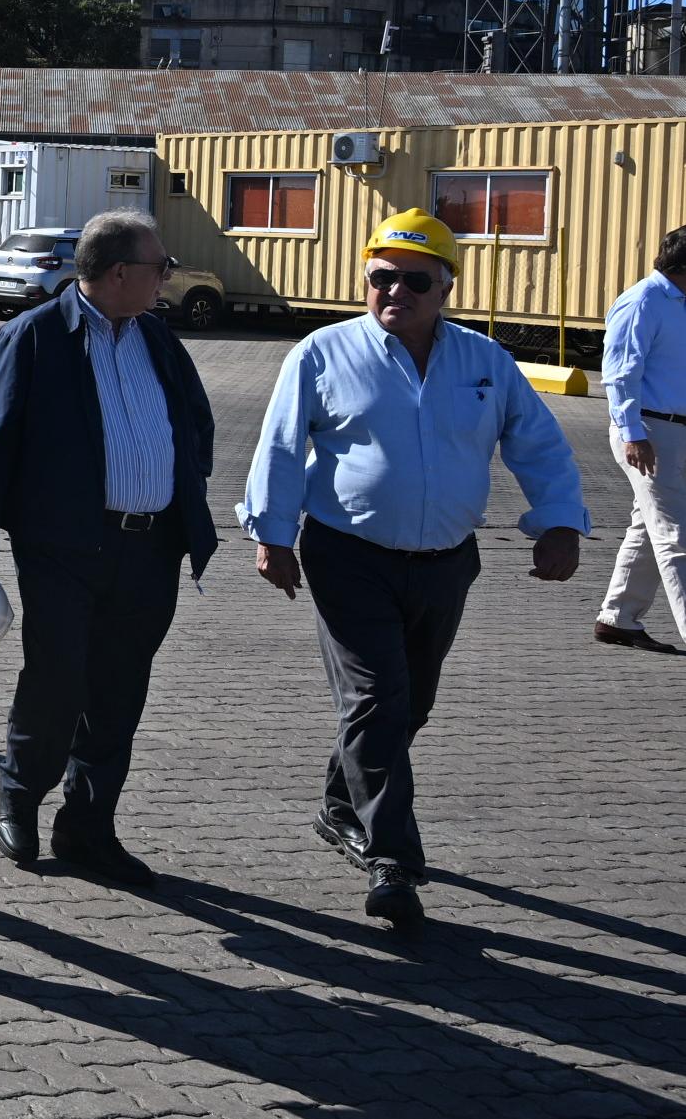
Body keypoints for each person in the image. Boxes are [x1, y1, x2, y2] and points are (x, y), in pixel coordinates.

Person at [237, 209, 586, 928]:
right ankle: (391, 857)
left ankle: (340, 804)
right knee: (377, 699)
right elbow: (276, 446)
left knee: (408, 703)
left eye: (413, 279)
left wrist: (558, 520)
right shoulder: (321, 351)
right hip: (347, 556)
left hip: (445, 563)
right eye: (380, 277)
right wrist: (271, 535)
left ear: (445, 286)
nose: (394, 290)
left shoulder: (484, 362)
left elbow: (538, 443)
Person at [0, 209, 215, 889]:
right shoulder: (35, 337)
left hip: (150, 547)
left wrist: (178, 478)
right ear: (120, 271)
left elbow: (194, 421)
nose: (167, 277)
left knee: (119, 689)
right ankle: (19, 788)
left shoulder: (156, 337)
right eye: (159, 266)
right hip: (64, 546)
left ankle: (88, 824)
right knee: (57, 679)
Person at [595, 224, 686, 652]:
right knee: (676, 535)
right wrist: (633, 434)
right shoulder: (642, 302)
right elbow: (619, 375)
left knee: (650, 529)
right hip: (650, 431)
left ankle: (619, 617)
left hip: (674, 430)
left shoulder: (678, 303)